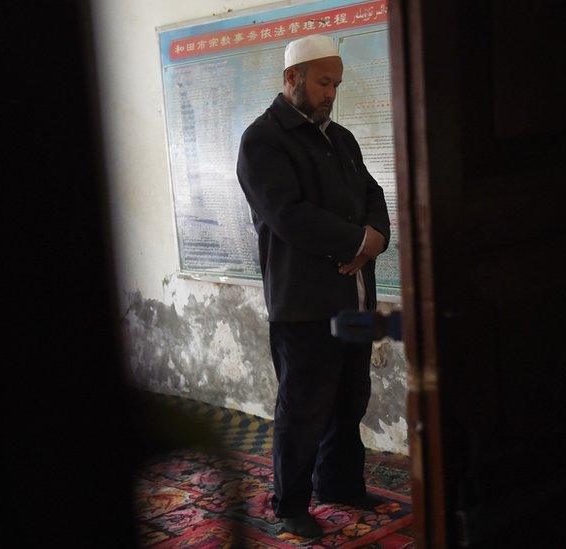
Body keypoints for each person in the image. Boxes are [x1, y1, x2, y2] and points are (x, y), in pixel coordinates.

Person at [236, 33, 391, 539]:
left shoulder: (341, 138)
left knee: (350, 399)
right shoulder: (263, 140)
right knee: (303, 410)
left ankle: (339, 485)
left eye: (337, 84)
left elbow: (373, 193)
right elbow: (289, 216)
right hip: (303, 305)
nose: (331, 92)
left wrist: (375, 240)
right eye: (323, 82)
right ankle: (291, 503)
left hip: (354, 297)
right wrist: (354, 243)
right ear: (291, 79)